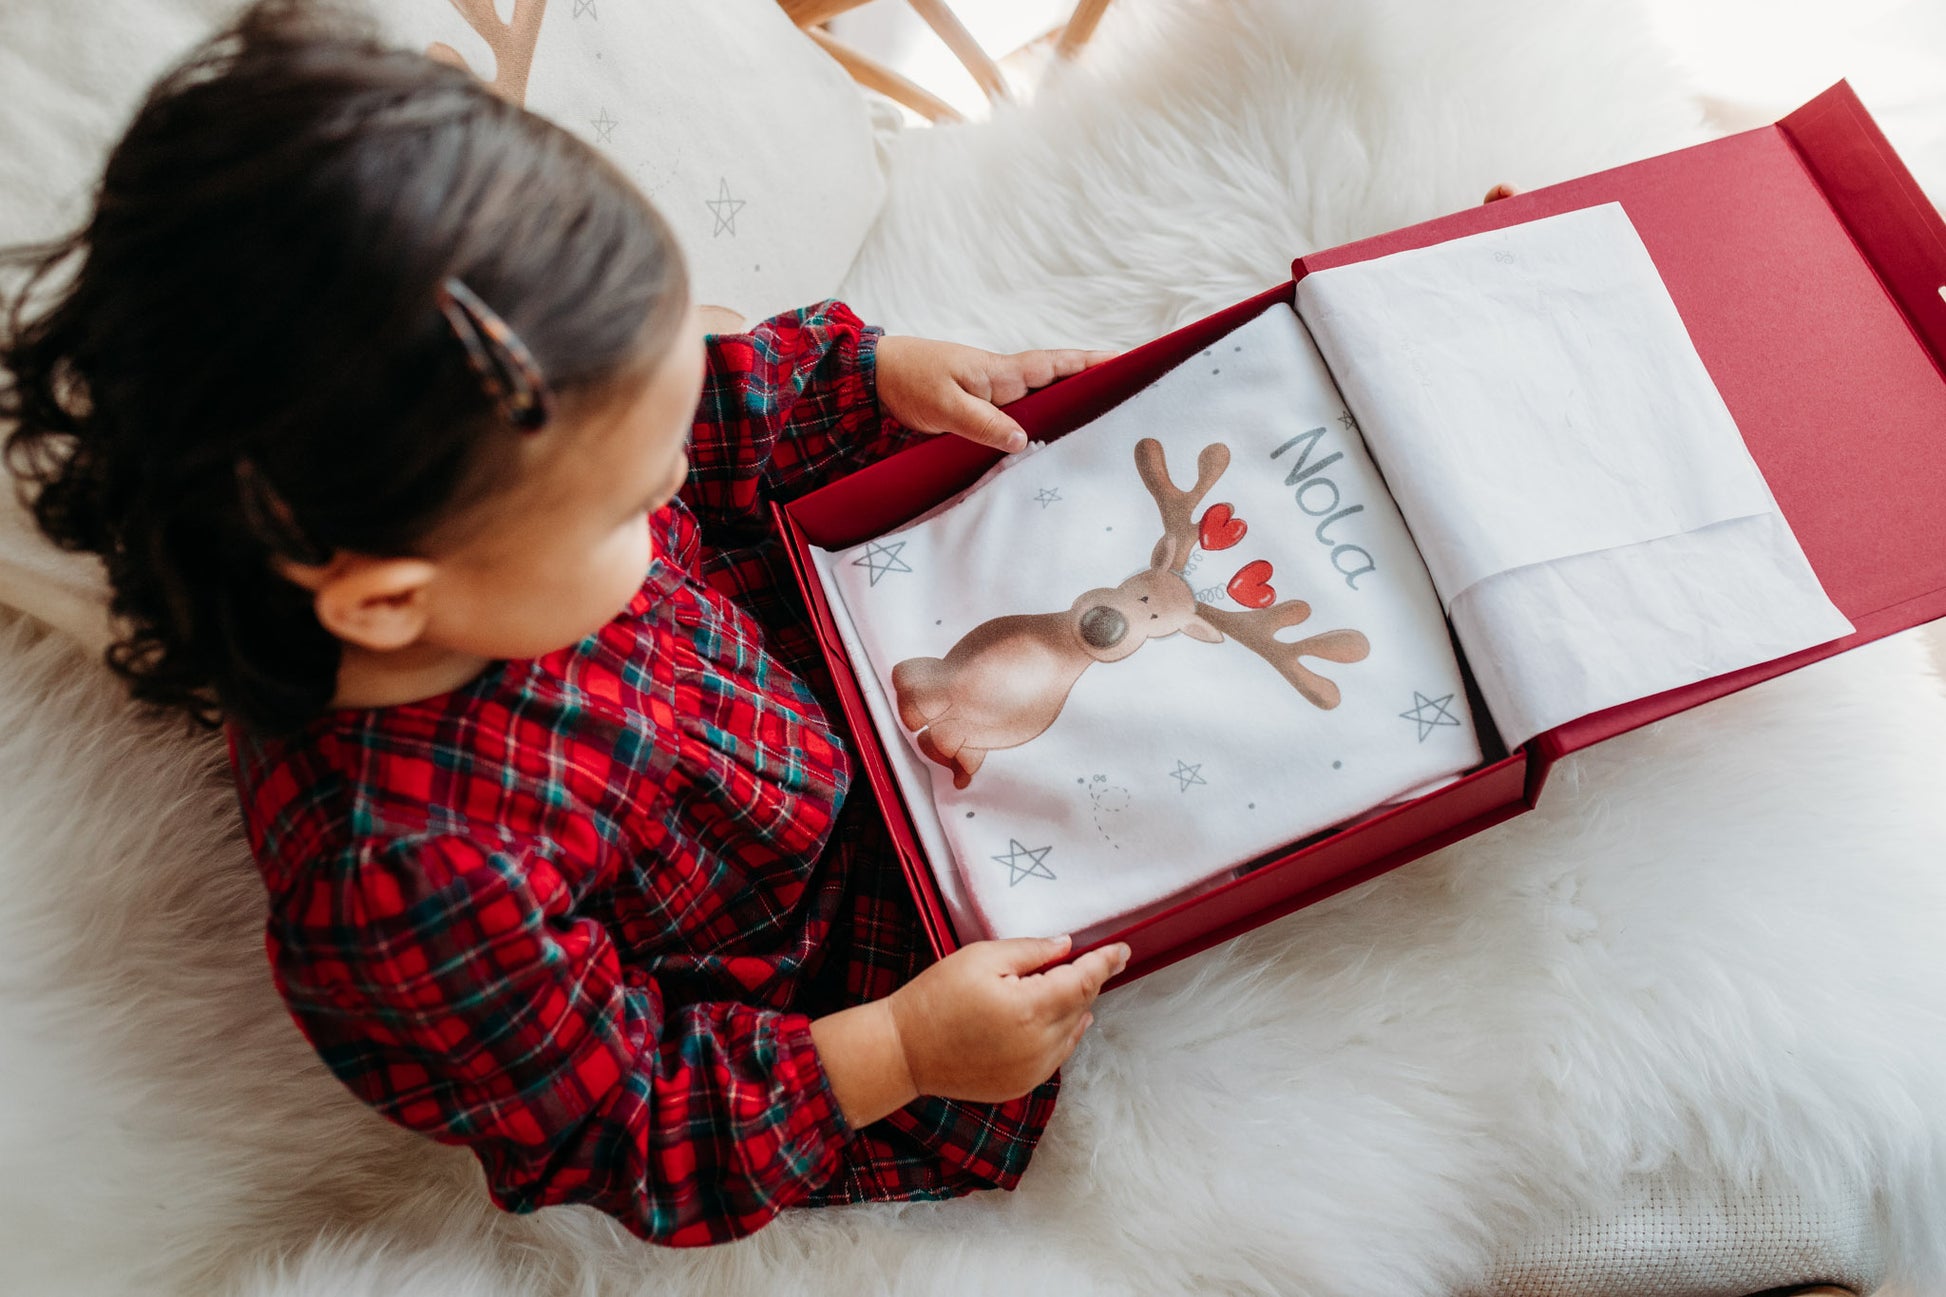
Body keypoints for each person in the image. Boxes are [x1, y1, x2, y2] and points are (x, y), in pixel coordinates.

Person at [0, 0, 1129, 1248]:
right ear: (388, 599)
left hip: (800, 673)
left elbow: (693, 420)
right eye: (626, 504)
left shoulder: (525, 502)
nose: (663, 499)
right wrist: (902, 1046)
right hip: (797, 958)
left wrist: (871, 377)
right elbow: (631, 1116)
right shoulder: (411, 882)